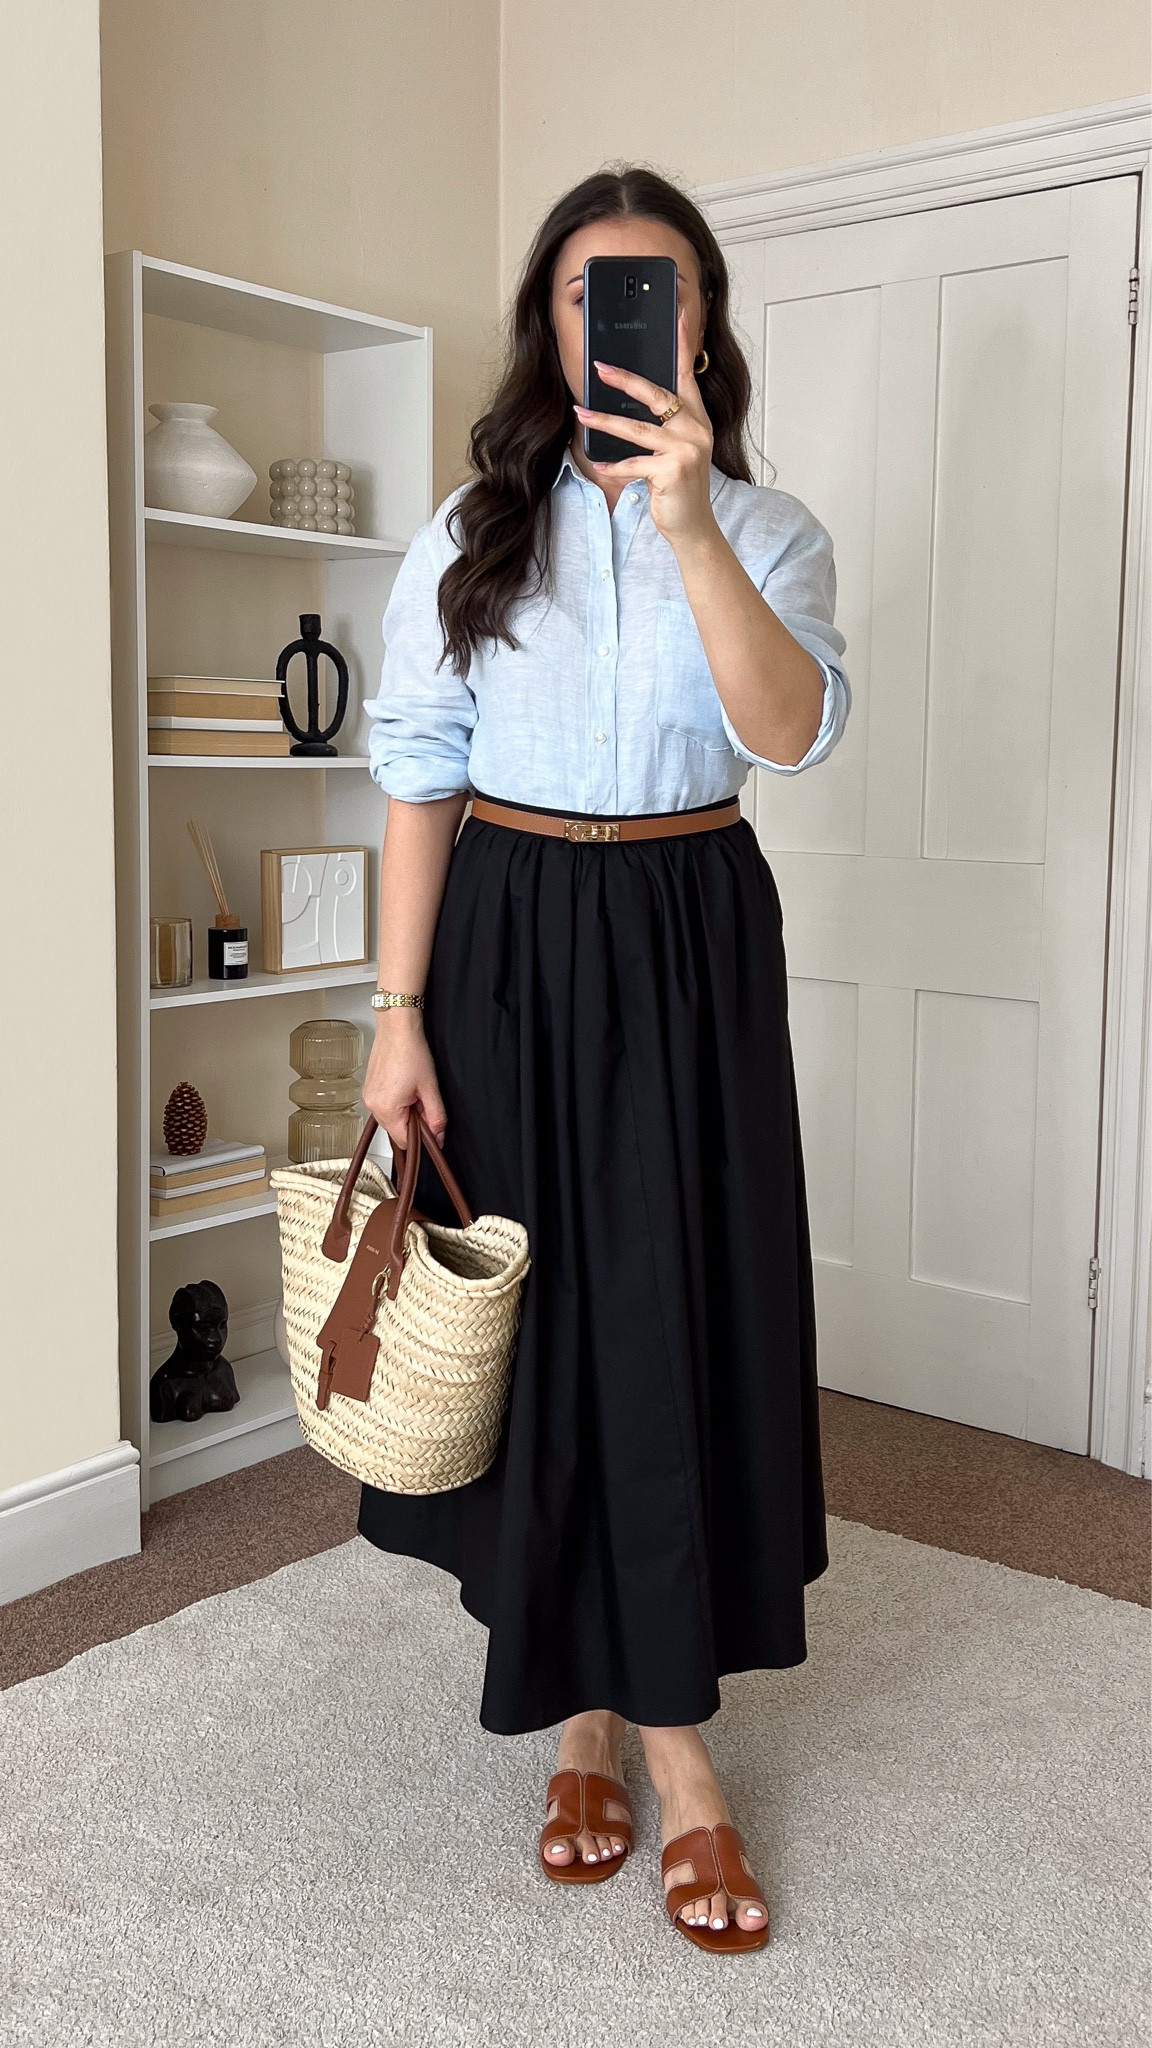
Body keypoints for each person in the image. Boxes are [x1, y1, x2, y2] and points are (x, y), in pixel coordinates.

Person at [357, 164, 851, 1954]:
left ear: (699, 319)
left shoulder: (766, 526)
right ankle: (584, 1713)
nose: (615, 318)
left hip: (687, 936)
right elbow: (414, 771)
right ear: (547, 323)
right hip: (501, 938)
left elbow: (787, 735)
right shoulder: (470, 528)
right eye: (583, 292)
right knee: (541, 1326)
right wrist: (395, 1018)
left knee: (680, 1311)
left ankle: (680, 1757)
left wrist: (693, 522)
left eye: (649, 290)